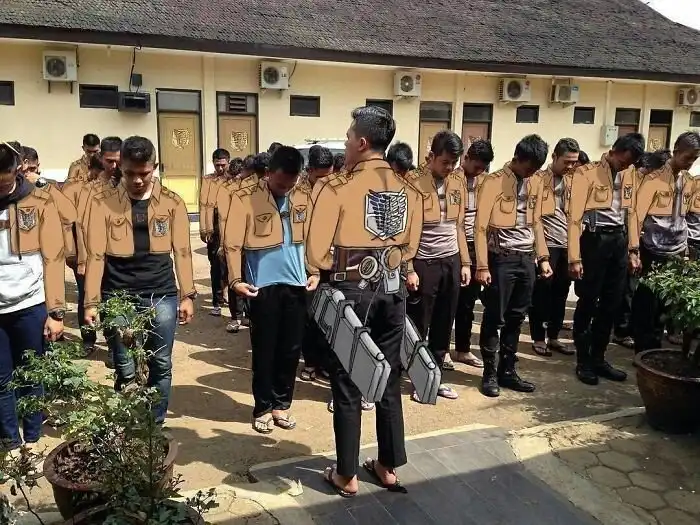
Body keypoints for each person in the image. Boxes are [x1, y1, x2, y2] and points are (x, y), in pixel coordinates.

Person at [307, 106, 423, 497]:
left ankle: (346, 474)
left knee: (347, 383)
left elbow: (316, 253)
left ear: (361, 142)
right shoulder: (410, 190)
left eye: (347, 137)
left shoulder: (335, 188)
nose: (345, 144)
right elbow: (410, 247)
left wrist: (337, 266)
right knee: (388, 378)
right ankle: (387, 466)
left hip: (352, 291)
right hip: (392, 291)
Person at [83, 136, 196, 424]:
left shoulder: (172, 202)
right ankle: (129, 425)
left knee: (160, 362)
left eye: (143, 173)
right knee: (124, 365)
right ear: (120, 167)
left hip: (161, 293)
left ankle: (153, 427)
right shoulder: (102, 203)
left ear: (154, 168)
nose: (136, 180)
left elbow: (183, 251)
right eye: (130, 172)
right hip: (117, 294)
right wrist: (91, 302)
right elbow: (95, 255)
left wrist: (187, 295)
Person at [224, 146, 317, 434]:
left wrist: (315, 270)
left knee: (291, 350)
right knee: (264, 351)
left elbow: (314, 237)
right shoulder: (244, 198)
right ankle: (263, 407)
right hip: (261, 288)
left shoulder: (304, 196)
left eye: (291, 183)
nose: (285, 188)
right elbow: (232, 244)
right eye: (280, 183)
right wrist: (235, 280)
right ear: (268, 173)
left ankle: (282, 405)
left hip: (297, 284)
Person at [0, 142, 66, 454]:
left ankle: (33, 440)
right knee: (1, 380)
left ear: (17, 171)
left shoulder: (39, 200)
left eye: (6, 182)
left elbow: (54, 257)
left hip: (30, 305)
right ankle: (11, 443)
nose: (2, 189)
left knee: (31, 377)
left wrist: (56, 312)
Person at [475, 135, 551, 398]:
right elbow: (480, 227)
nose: (532, 173)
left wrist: (543, 257)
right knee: (495, 317)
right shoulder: (493, 182)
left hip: (526, 259)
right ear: (518, 158)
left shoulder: (536, 182)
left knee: (517, 318)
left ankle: (507, 370)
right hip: (501, 259)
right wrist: (482, 266)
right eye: (529, 167)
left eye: (536, 169)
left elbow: (537, 222)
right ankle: (489, 373)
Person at [568, 133, 644, 385]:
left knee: (612, 302)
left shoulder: (630, 174)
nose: (624, 167)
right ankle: (583, 361)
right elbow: (574, 219)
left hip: (619, 241)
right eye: (622, 161)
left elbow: (632, 213)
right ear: (613, 152)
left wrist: (633, 250)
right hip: (594, 240)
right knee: (588, 301)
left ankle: (599, 358)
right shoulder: (586, 173)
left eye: (629, 164)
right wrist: (574, 258)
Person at [404, 130, 470, 401]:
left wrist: (465, 263)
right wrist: (409, 268)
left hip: (451, 261)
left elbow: (459, 225)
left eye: (454, 163)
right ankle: (419, 380)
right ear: (431, 156)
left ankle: (436, 378)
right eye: (445, 162)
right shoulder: (412, 182)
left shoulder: (457, 182)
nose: (449, 167)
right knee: (419, 324)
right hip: (424, 263)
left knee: (444, 324)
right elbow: (404, 231)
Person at [628, 132, 700, 353]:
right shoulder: (653, 180)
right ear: (676, 152)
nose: (690, 163)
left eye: (695, 159)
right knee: (647, 304)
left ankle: (655, 348)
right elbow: (636, 217)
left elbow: (687, 216)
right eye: (688, 158)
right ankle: (643, 350)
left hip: (676, 251)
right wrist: (634, 250)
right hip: (653, 249)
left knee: (664, 304)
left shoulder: (688, 181)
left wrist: (686, 248)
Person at [612, 149, 671, 349]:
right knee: (628, 288)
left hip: (646, 242)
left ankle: (631, 328)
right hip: (628, 241)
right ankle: (621, 330)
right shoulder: (632, 181)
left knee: (639, 289)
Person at [71, 137, 123, 356]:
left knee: (113, 300)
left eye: (118, 161)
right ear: (101, 159)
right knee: (87, 297)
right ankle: (88, 340)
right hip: (92, 254)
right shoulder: (89, 189)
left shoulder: (125, 185)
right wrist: (82, 260)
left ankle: (113, 347)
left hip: (117, 256)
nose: (114, 166)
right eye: (110, 161)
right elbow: (80, 224)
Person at [528, 138, 579, 357]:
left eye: (574, 162)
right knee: (542, 294)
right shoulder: (538, 179)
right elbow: (533, 217)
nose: (570, 166)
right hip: (547, 246)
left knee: (561, 293)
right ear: (554, 157)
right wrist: (540, 254)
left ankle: (554, 336)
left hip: (568, 244)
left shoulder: (574, 181)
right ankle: (539, 338)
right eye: (566, 162)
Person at [452, 139, 494, 368]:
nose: (478, 171)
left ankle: (463, 349)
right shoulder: (451, 178)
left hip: (476, 246)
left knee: (468, 303)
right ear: (466, 158)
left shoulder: (486, 182)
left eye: (483, 168)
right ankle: (441, 349)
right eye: (476, 166)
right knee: (448, 302)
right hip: (452, 246)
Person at [299, 145, 334, 382]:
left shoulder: (336, 191)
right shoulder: (297, 194)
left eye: (329, 175)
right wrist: (311, 269)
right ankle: (311, 362)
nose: (325, 181)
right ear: (309, 170)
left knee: (330, 317)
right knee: (309, 318)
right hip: (305, 266)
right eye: (321, 177)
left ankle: (325, 363)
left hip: (330, 264)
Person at [201, 149, 231, 317]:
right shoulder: (208, 180)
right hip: (214, 226)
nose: (220, 168)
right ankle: (217, 301)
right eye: (217, 165)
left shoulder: (233, 179)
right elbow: (203, 205)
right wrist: (204, 228)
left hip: (231, 224)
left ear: (228, 162)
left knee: (231, 263)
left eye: (223, 165)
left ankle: (227, 292)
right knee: (216, 265)